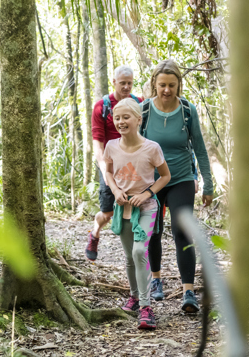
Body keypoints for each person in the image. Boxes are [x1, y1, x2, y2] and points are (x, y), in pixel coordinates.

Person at [143, 60, 213, 312]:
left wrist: (208, 183)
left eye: (172, 85)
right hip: (151, 181)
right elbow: (132, 147)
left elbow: (200, 150)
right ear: (154, 84)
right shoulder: (144, 111)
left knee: (182, 231)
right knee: (153, 231)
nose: (166, 90)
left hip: (182, 178)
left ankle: (188, 292)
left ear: (178, 85)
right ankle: (157, 280)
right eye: (162, 85)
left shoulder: (187, 110)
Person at [104, 98, 171, 329]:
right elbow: (108, 173)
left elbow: (165, 176)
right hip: (123, 208)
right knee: (129, 257)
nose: (121, 122)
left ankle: (145, 306)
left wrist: (147, 193)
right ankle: (133, 297)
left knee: (140, 250)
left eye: (126, 117)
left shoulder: (152, 148)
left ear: (138, 119)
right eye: (117, 117)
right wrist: (115, 190)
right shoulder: (111, 146)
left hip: (147, 207)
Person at [85, 65, 142, 261]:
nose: (126, 87)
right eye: (122, 83)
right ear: (114, 82)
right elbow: (98, 144)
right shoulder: (102, 107)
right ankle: (95, 232)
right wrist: (105, 172)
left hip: (134, 163)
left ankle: (137, 252)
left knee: (137, 205)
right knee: (108, 211)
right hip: (109, 163)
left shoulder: (139, 103)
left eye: (130, 83)